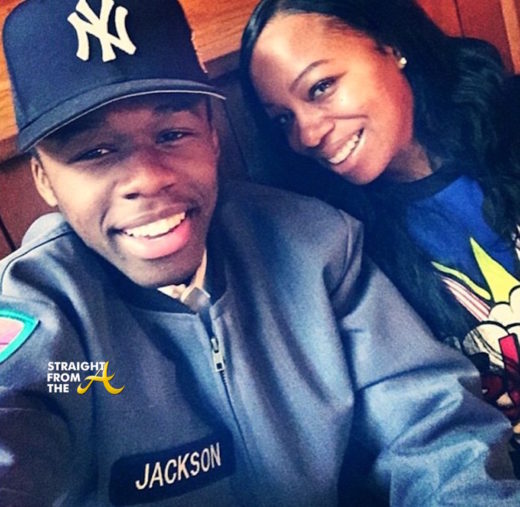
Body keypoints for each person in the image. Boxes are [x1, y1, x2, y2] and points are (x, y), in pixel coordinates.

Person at [1, 0, 520, 505]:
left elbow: (431, 428)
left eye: (172, 134)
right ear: (43, 178)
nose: (148, 178)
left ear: (213, 136)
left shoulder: (316, 245)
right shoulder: (45, 301)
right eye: (94, 152)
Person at [240, 0, 520, 470]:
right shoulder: (331, 248)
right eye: (283, 119)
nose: (306, 135)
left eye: (321, 87)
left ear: (391, 44)